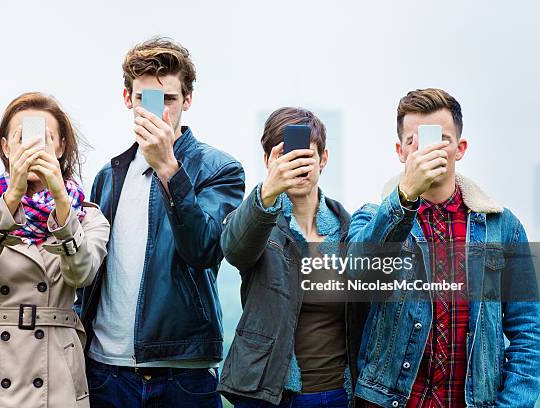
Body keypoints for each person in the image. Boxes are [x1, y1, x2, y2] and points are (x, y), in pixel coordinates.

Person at [74, 37, 245, 408]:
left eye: (168, 99)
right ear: (127, 99)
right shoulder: (108, 175)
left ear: (187, 100)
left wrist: (169, 168)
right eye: (144, 99)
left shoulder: (220, 169)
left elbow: (204, 250)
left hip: (182, 374)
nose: (158, 111)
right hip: (106, 371)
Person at [345, 88, 540, 407]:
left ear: (460, 148)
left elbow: (529, 334)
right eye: (415, 141)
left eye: (440, 139)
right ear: (400, 151)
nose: (427, 150)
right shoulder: (371, 217)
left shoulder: (503, 227)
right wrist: (406, 194)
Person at [0, 92, 110, 408]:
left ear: (61, 147)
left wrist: (62, 203)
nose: (32, 147)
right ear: (5, 147)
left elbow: (82, 273)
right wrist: (11, 200)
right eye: (21, 138)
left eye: (45, 138)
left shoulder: (86, 215)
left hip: (57, 370)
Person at [218, 107, 368, 408]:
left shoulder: (348, 228)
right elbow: (234, 251)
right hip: (269, 395)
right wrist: (269, 192)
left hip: (338, 394)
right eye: (286, 157)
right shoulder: (254, 221)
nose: (297, 166)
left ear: (323, 159)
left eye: (306, 157)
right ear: (268, 161)